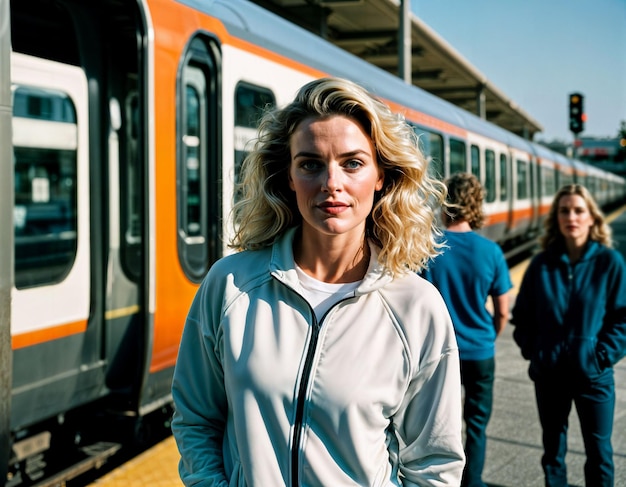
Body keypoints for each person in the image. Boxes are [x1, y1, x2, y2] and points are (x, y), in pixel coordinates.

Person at [170, 77, 465, 486]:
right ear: (289, 177)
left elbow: (434, 463)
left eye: (353, 163)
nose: (331, 183)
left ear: (381, 175)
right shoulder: (230, 286)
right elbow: (196, 420)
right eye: (310, 164)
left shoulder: (416, 307)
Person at [512, 184, 626, 487]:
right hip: (550, 376)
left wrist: (600, 356)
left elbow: (622, 318)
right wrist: (537, 351)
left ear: (592, 218)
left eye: (579, 210)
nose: (571, 217)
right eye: (564, 211)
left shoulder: (609, 263)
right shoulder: (541, 265)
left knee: (600, 453)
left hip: (594, 376)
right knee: (553, 453)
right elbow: (522, 318)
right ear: (556, 218)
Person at [421, 172, 512, 487]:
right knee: (476, 424)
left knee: (436, 425)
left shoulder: (427, 249)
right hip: (479, 353)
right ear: (477, 206)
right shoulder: (491, 253)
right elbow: (502, 309)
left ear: (444, 203)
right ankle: (472, 482)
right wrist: (488, 337)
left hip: (437, 354)